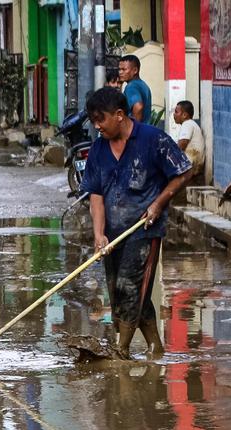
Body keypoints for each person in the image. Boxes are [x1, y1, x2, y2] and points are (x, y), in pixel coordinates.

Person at [79, 87, 193, 358]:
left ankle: (121, 349)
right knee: (120, 292)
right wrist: (98, 234)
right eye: (93, 120)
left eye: (100, 119)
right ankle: (155, 346)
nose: (97, 126)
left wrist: (158, 203)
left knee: (130, 286)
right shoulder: (98, 149)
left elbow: (183, 172)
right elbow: (96, 195)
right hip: (112, 233)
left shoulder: (153, 139)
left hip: (143, 230)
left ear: (119, 115)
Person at [171, 100, 205, 180]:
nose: (174, 114)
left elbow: (182, 144)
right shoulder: (191, 124)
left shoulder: (187, 124)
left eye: (176, 112)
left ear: (184, 115)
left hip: (190, 164)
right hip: (195, 164)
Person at [118, 54, 154, 124]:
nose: (120, 72)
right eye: (119, 69)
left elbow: (138, 107)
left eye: (124, 69)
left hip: (137, 132)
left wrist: (133, 129)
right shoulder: (143, 85)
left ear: (135, 70)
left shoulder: (131, 86)